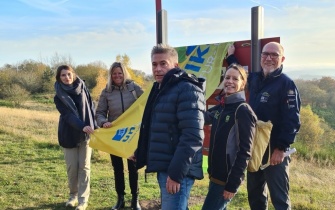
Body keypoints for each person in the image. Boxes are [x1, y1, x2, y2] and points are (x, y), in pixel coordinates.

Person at [133, 43, 206, 210]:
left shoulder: (187, 89)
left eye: (163, 63)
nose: (157, 69)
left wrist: (175, 174)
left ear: (175, 65)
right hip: (167, 166)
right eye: (154, 64)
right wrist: (142, 152)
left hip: (178, 170)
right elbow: (159, 128)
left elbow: (193, 136)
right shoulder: (161, 89)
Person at [246, 42, 301, 209]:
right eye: (265, 54)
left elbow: (292, 120)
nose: (269, 58)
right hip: (254, 147)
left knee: (280, 199)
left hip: (273, 151)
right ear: (260, 57)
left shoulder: (286, 84)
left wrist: (281, 149)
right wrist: (233, 56)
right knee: (255, 196)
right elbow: (238, 74)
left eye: (274, 55)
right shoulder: (255, 78)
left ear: (282, 59)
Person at [202, 64, 257, 210]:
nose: (229, 81)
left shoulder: (243, 110)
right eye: (227, 78)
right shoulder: (222, 106)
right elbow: (202, 117)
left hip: (226, 180)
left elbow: (245, 151)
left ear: (242, 83)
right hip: (215, 175)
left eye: (235, 78)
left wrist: (232, 184)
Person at [95, 62, 143, 210]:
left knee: (133, 168)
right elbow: (100, 113)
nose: (117, 76)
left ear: (124, 73)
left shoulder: (134, 88)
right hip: (114, 137)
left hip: (132, 136)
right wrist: (103, 122)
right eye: (114, 73)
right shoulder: (106, 92)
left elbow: (147, 104)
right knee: (117, 169)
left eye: (120, 73)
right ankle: (120, 199)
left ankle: (135, 200)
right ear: (111, 75)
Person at [54, 65, 97, 210]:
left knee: (84, 167)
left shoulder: (83, 88)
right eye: (63, 75)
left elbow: (91, 106)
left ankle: (83, 200)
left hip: (86, 134)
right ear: (59, 78)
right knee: (72, 168)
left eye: (69, 74)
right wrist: (81, 125)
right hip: (69, 135)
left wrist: (94, 125)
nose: (67, 77)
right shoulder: (58, 96)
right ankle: (73, 195)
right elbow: (67, 115)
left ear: (74, 75)